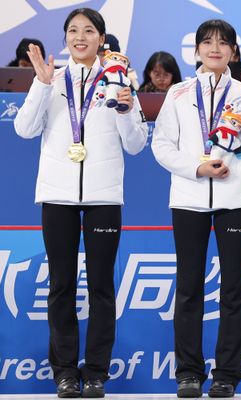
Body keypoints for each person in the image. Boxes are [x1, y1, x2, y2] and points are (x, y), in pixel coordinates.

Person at [13, 7, 148, 398]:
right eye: (73, 30)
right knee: (61, 285)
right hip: (58, 195)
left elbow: (136, 144)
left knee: (101, 286)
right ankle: (65, 373)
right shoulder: (51, 79)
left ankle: (97, 373)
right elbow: (24, 129)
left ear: (101, 39)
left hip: (104, 195)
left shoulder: (120, 80)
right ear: (66, 38)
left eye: (89, 30)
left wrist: (126, 108)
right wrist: (40, 85)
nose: (80, 37)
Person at [151, 18, 241, 399]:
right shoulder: (179, 92)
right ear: (197, 50)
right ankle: (188, 373)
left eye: (223, 43)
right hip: (189, 199)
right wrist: (196, 168)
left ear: (234, 51)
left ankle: (227, 376)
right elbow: (161, 145)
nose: (215, 48)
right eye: (207, 42)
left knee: (234, 288)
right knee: (189, 287)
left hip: (234, 199)